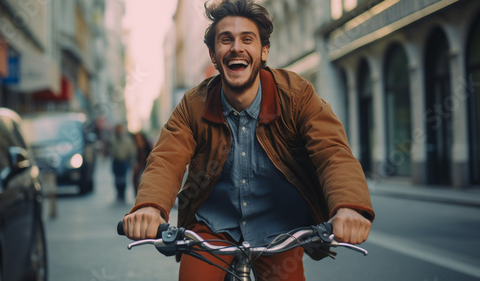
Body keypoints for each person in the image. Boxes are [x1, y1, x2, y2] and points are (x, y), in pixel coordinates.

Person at [122, 0, 374, 280]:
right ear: (214, 55)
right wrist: (149, 207)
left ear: (264, 51)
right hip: (212, 227)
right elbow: (166, 159)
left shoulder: (297, 95)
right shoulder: (193, 104)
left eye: (247, 39)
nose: (236, 48)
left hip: (280, 229)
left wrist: (348, 207)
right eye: (225, 39)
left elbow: (332, 153)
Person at [110, 124, 136, 202]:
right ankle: (118, 193)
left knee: (123, 178)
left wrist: (132, 160)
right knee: (117, 178)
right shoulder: (113, 139)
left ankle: (122, 193)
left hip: (124, 161)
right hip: (116, 161)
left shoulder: (127, 139)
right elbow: (110, 149)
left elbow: (131, 150)